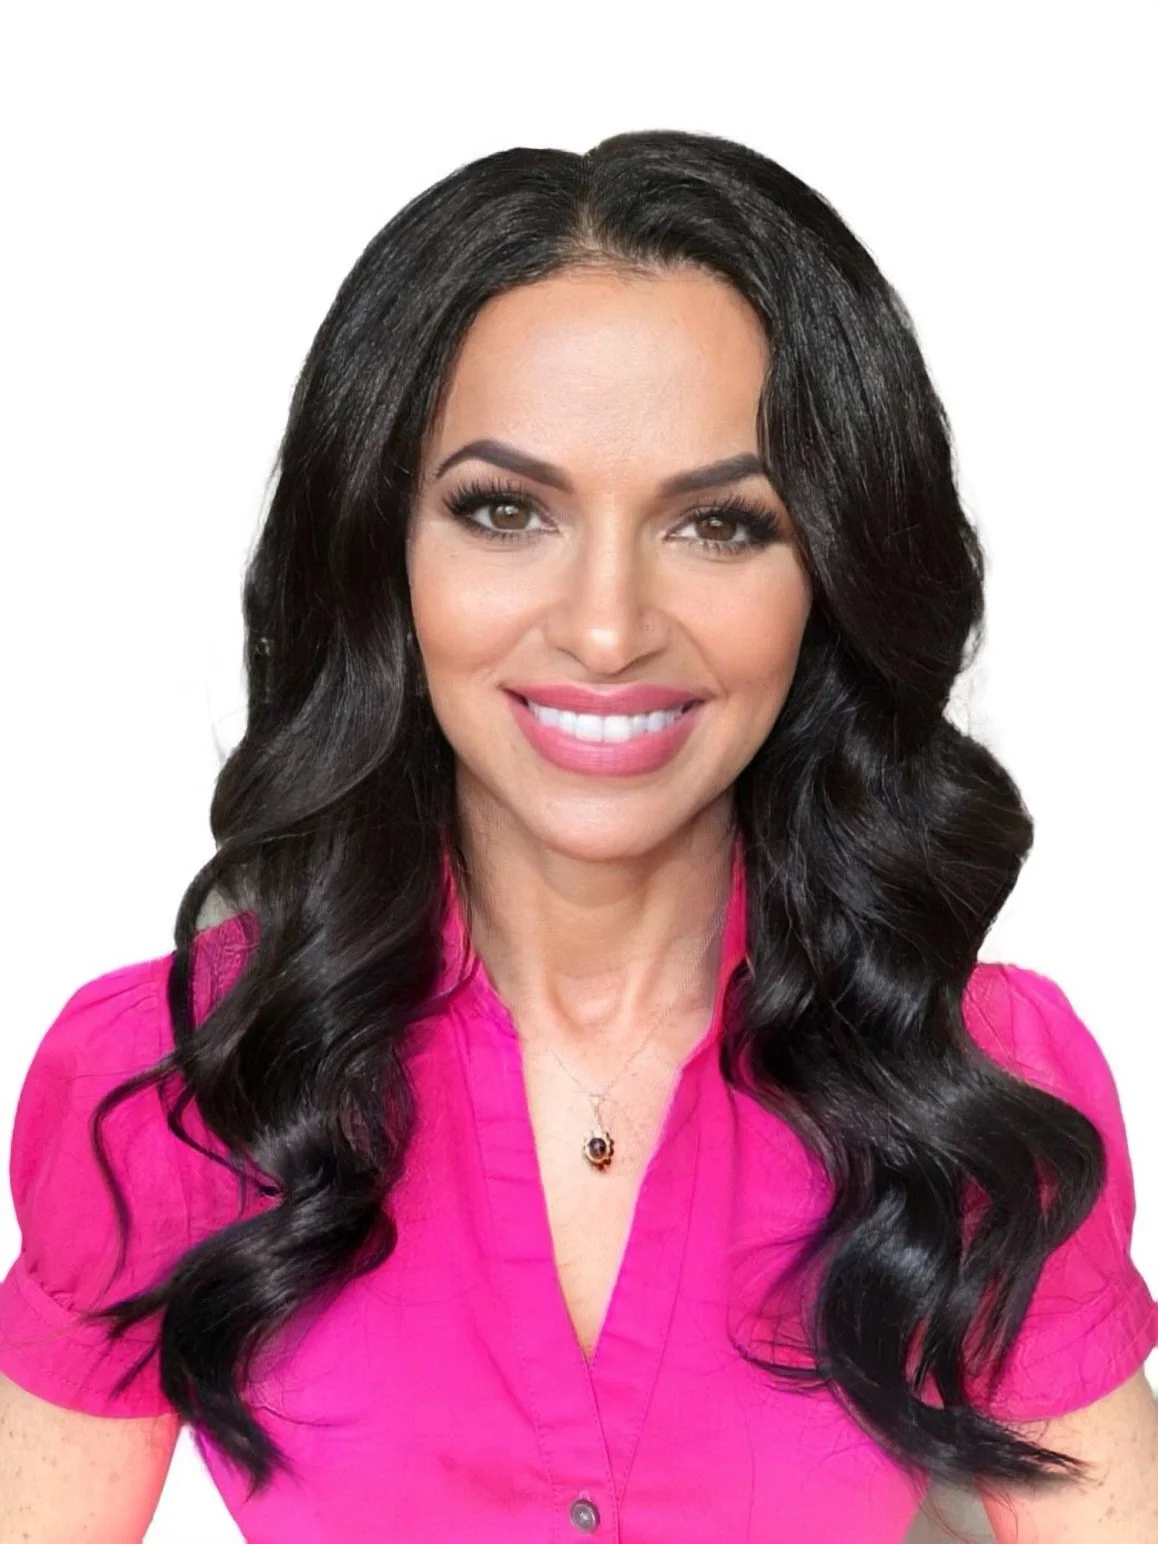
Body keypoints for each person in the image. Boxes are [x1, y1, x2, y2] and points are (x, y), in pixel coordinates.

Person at [0, 129, 1155, 1544]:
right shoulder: (177, 1079)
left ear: (830, 574)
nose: (607, 630)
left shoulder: (971, 1083)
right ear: (382, 552)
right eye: (504, 511)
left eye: (718, 525)